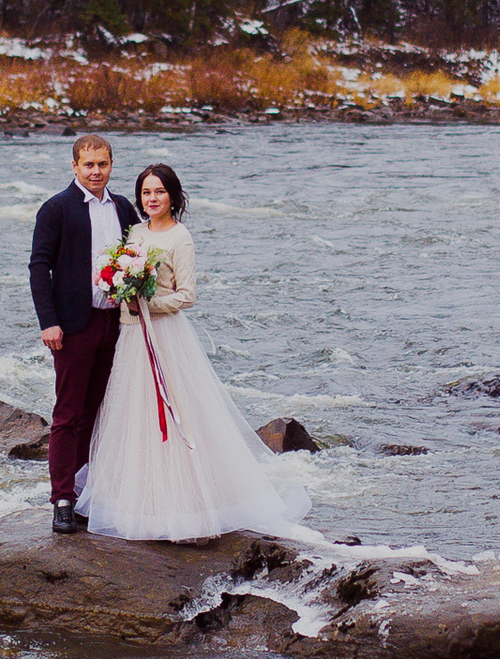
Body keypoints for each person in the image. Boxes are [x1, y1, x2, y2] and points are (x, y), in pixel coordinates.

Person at [78, 161, 311, 541]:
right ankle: (141, 506)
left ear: (172, 196)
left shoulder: (180, 237)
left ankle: (188, 508)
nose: (152, 198)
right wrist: (119, 290)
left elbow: (186, 296)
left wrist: (147, 303)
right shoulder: (134, 232)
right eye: (146, 192)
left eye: (159, 192)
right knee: (134, 417)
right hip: (131, 336)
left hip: (165, 335)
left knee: (177, 416)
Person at [29, 131, 137, 535]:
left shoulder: (123, 208)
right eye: (88, 164)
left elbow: (138, 257)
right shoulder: (57, 208)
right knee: (68, 414)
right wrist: (48, 321)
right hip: (73, 326)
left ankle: (86, 493)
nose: (96, 171)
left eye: (102, 164)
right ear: (74, 166)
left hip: (115, 324)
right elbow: (39, 267)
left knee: (99, 413)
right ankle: (61, 499)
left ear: (111, 165)